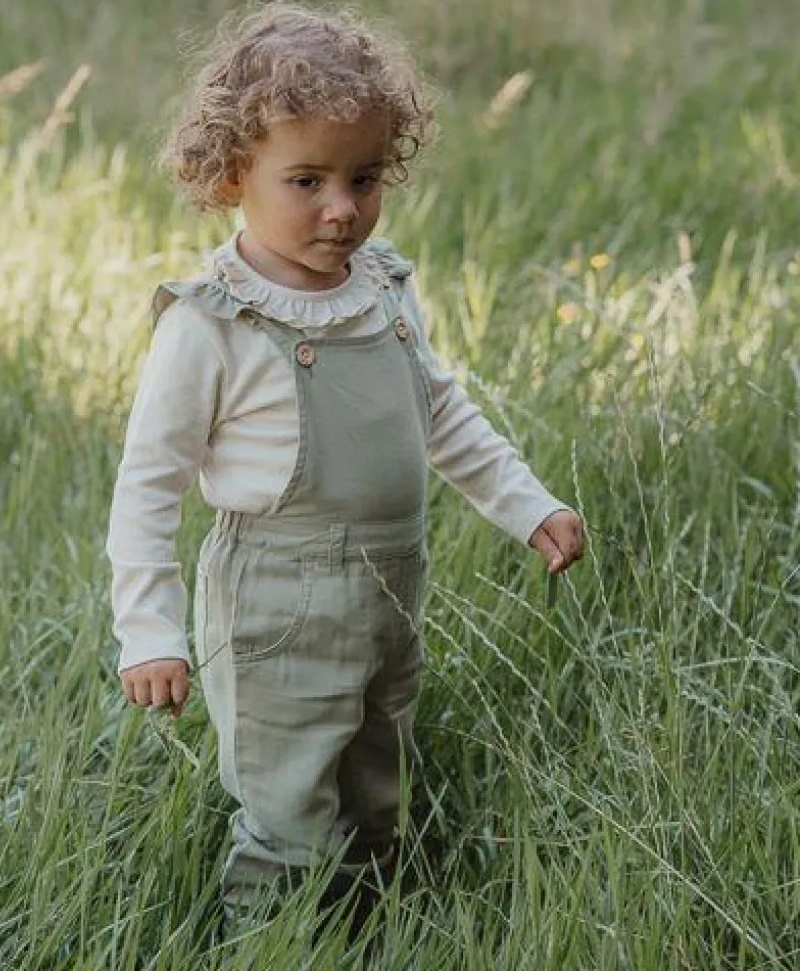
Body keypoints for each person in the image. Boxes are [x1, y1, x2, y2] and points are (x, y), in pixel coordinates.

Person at [106, 1, 584, 944]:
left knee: (375, 788)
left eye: (365, 178)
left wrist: (528, 504)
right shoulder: (211, 324)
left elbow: (440, 411)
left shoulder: (383, 289)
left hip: (389, 590)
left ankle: (365, 929)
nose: (342, 208)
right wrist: (149, 630)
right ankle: (269, 941)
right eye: (307, 180)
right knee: (289, 807)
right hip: (275, 602)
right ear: (231, 174)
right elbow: (149, 484)